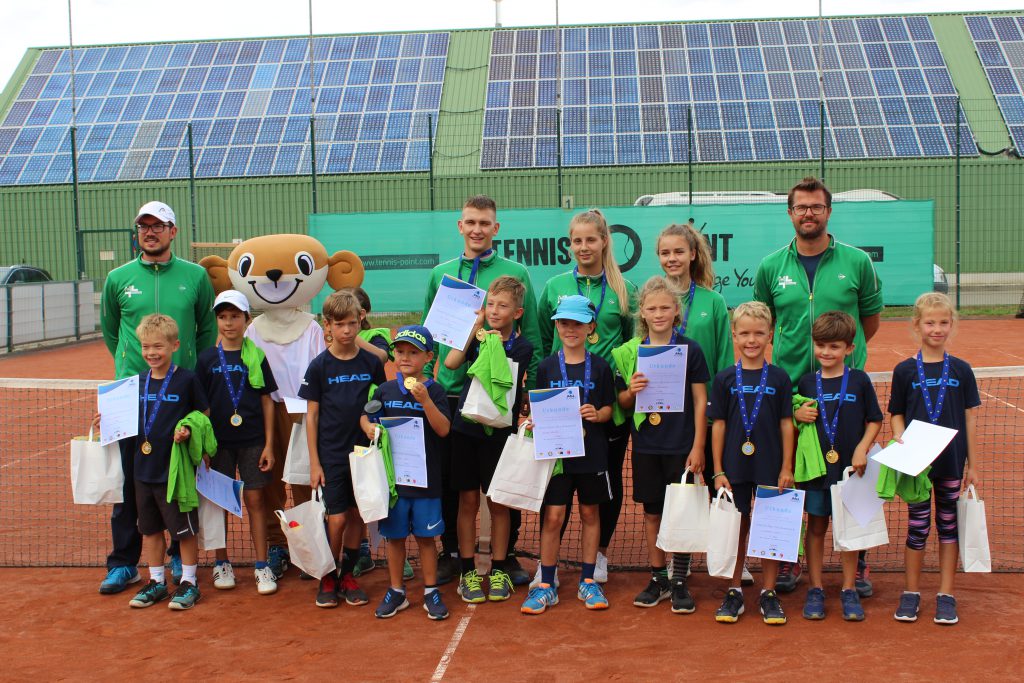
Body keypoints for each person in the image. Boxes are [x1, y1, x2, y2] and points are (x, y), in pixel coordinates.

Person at [753, 176, 883, 595]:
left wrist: (846, 362)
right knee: (789, 480)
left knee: (852, 481)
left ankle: (858, 563)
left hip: (844, 393)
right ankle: (786, 561)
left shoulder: (857, 262)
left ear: (828, 212)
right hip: (791, 393)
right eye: (801, 207)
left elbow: (869, 321)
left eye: (816, 207)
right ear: (790, 213)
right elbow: (765, 323)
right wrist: (792, 398)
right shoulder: (771, 266)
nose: (808, 213)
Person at [422, 195, 543, 586]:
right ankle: (454, 554)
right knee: (454, 487)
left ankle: (506, 561)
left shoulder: (516, 272)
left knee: (502, 482)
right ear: (461, 226)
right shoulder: (440, 274)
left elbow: (535, 341)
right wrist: (426, 380)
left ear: (496, 228)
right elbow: (428, 338)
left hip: (501, 399)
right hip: (450, 396)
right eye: (470, 222)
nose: (477, 229)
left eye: (484, 223)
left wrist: (531, 394)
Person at [98, 200, 216, 594]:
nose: (150, 232)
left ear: (173, 232)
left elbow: (205, 331)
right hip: (129, 393)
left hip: (177, 391)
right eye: (143, 226)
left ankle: (181, 563)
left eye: (158, 226)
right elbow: (112, 332)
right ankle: (123, 564)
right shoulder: (117, 278)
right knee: (127, 482)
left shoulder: (196, 276)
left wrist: (185, 369)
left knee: (177, 478)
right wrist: (133, 365)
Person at [536, 209, 638, 584]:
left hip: (604, 402)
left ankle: (599, 557)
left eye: (590, 240)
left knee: (606, 481)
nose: (583, 247)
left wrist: (617, 397)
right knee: (558, 485)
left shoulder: (624, 290)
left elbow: (632, 347)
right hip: (561, 408)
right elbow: (547, 348)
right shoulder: (555, 287)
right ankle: (549, 565)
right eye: (577, 240)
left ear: (604, 241)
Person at [615, 276, 709, 613]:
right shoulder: (630, 353)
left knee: (681, 512)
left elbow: (701, 401)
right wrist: (631, 390)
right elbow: (622, 402)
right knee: (652, 512)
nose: (658, 313)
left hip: (681, 445)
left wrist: (698, 446)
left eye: (665, 307)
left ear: (676, 311)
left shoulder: (690, 349)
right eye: (652, 308)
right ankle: (658, 577)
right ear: (641, 311)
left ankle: (680, 579)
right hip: (646, 445)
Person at [888, 293, 980, 625]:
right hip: (917, 464)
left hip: (951, 463)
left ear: (951, 325)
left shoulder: (961, 370)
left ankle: (946, 594)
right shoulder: (904, 370)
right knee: (917, 527)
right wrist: (899, 435)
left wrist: (974, 465)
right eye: (930, 322)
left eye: (943, 322)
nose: (937, 328)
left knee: (948, 526)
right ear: (917, 325)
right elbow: (896, 413)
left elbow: (969, 420)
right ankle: (911, 592)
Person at [521, 296, 616, 615]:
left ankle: (589, 580)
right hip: (557, 456)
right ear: (557, 326)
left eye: (577, 323)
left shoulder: (601, 366)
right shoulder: (547, 366)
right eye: (564, 323)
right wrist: (536, 420)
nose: (570, 329)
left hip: (592, 454)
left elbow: (609, 409)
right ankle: (547, 583)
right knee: (553, 516)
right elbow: (539, 405)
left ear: (591, 327)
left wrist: (598, 414)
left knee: (591, 515)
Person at [655, 221, 738, 582]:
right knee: (668, 494)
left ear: (692, 254)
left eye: (678, 251)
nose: (672, 258)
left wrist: (716, 416)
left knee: (705, 488)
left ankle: (723, 558)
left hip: (702, 414)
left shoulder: (713, 301)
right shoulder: (653, 298)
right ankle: (672, 563)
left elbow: (723, 362)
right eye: (665, 253)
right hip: (661, 417)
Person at [444, 276, 534, 604]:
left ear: (518, 312)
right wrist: (474, 330)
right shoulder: (477, 338)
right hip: (465, 430)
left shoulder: (523, 347)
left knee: (498, 503)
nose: (495, 311)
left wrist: (495, 343)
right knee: (467, 501)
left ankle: (498, 569)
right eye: (491, 304)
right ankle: (468, 570)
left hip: (499, 434)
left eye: (503, 306)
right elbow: (451, 363)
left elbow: (513, 381)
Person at [110, 314, 209, 610]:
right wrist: (108, 421)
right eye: (146, 347)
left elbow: (203, 416)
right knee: (150, 529)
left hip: (175, 471)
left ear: (174, 345)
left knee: (184, 529)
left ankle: (189, 582)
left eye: (158, 346)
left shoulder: (187, 380)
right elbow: (124, 420)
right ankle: (156, 582)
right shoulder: (135, 383)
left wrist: (188, 430)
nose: (152, 353)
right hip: (143, 469)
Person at [708, 302, 795, 625]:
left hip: (771, 466)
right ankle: (734, 590)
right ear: (734, 335)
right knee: (737, 528)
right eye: (744, 333)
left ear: (770, 335)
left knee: (771, 529)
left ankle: (769, 592)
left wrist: (787, 467)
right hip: (733, 467)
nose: (751, 340)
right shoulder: (725, 378)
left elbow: (787, 423)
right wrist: (717, 469)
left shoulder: (780, 378)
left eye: (759, 333)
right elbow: (718, 425)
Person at [792, 311, 882, 621]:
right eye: (821, 346)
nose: (826, 353)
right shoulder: (806, 382)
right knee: (816, 527)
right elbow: (796, 421)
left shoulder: (858, 380)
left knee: (849, 531)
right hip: (818, 472)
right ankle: (815, 588)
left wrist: (861, 448)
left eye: (834, 347)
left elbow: (875, 420)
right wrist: (797, 415)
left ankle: (848, 588)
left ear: (849, 348)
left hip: (851, 472)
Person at [300, 290, 386, 608]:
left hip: (364, 455)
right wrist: (314, 463)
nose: (347, 331)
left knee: (356, 516)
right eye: (340, 325)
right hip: (331, 454)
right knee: (335, 520)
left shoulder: (371, 363)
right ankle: (328, 574)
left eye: (352, 323)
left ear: (360, 321)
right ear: (328, 325)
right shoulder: (319, 366)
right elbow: (312, 416)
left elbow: (377, 403)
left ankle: (347, 575)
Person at [361, 325, 452, 620]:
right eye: (400, 351)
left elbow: (444, 429)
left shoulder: (436, 391)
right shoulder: (385, 390)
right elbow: (366, 415)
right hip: (395, 483)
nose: (405, 357)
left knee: (426, 540)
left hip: (426, 482)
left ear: (428, 356)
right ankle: (397, 591)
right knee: (395, 538)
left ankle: (430, 590)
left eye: (413, 352)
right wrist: (369, 427)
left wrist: (425, 401)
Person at [194, 290, 279, 595]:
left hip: (254, 441)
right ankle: (221, 562)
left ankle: (261, 564)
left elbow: (267, 401)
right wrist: (203, 447)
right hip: (218, 445)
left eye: (234, 317)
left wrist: (269, 443)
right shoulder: (206, 359)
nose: (228, 323)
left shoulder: (256, 356)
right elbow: (201, 409)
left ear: (247, 320)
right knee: (221, 503)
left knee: (256, 500)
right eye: (222, 317)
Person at [347, 286, 394, 578]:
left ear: (362, 315)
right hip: (344, 425)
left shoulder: (375, 336)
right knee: (355, 495)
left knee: (378, 488)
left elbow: (381, 357)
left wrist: (352, 339)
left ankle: (394, 554)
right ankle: (362, 550)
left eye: (350, 317)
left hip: (373, 423)